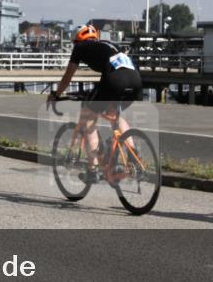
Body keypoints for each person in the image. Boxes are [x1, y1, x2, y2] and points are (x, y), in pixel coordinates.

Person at [46, 25, 143, 174]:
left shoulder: (80, 47)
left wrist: (56, 94)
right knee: (114, 115)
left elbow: (67, 77)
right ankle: (133, 156)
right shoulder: (108, 45)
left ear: (77, 40)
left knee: (88, 117)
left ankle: (93, 169)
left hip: (115, 80)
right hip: (135, 80)